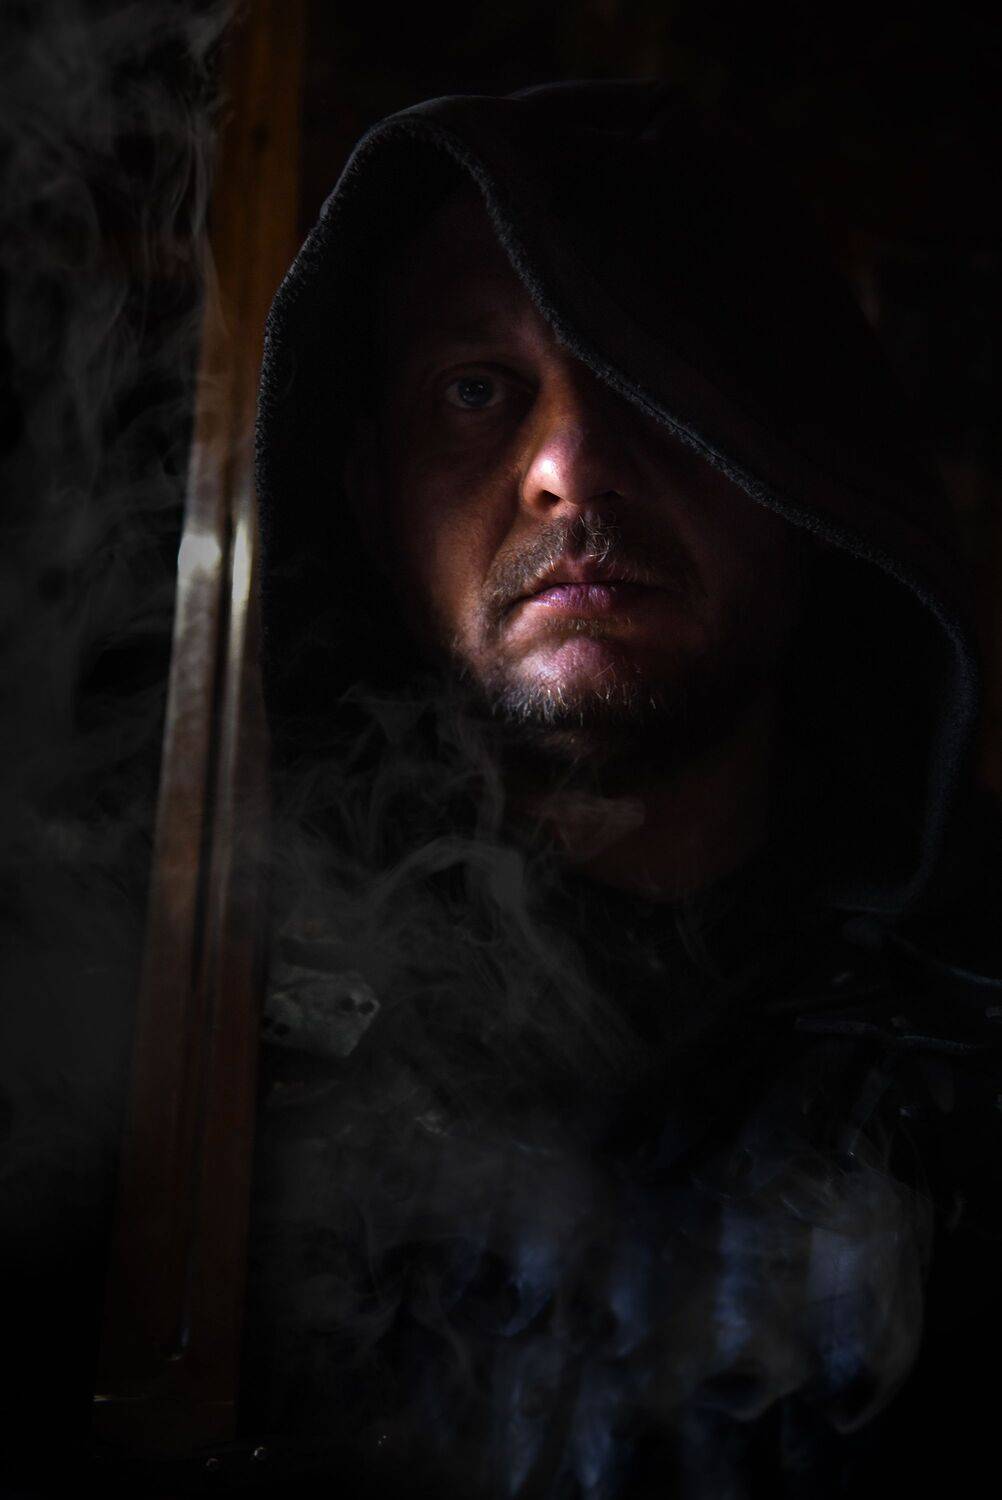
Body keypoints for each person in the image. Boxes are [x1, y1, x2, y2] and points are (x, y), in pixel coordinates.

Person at [246, 80, 1001, 1498]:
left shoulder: (970, 1033)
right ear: (371, 495)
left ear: (806, 475)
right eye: (477, 390)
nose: (570, 466)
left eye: (653, 378)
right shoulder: (209, 1030)